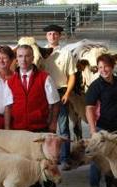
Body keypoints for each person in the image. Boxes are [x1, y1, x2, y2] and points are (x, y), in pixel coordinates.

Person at [7, 44, 61, 187]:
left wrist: (52, 124)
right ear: (16, 59)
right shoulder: (11, 81)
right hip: (20, 131)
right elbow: (8, 106)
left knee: (48, 162)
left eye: (27, 56)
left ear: (32, 58)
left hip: (40, 128)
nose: (24, 59)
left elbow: (55, 103)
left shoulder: (44, 77)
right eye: (20, 56)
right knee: (28, 163)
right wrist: (8, 128)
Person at [85, 54, 117, 187]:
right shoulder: (95, 86)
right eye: (100, 67)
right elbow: (89, 109)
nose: (103, 70)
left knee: (116, 160)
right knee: (97, 160)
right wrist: (93, 130)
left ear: (112, 66)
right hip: (101, 128)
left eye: (106, 66)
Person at [44, 24, 77, 171]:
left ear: (60, 36)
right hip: (45, 93)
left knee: (63, 126)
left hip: (61, 91)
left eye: (55, 34)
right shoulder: (42, 53)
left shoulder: (66, 53)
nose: (52, 36)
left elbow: (72, 75)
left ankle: (64, 158)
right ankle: (50, 157)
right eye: (50, 34)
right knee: (48, 126)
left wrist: (67, 93)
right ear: (46, 36)